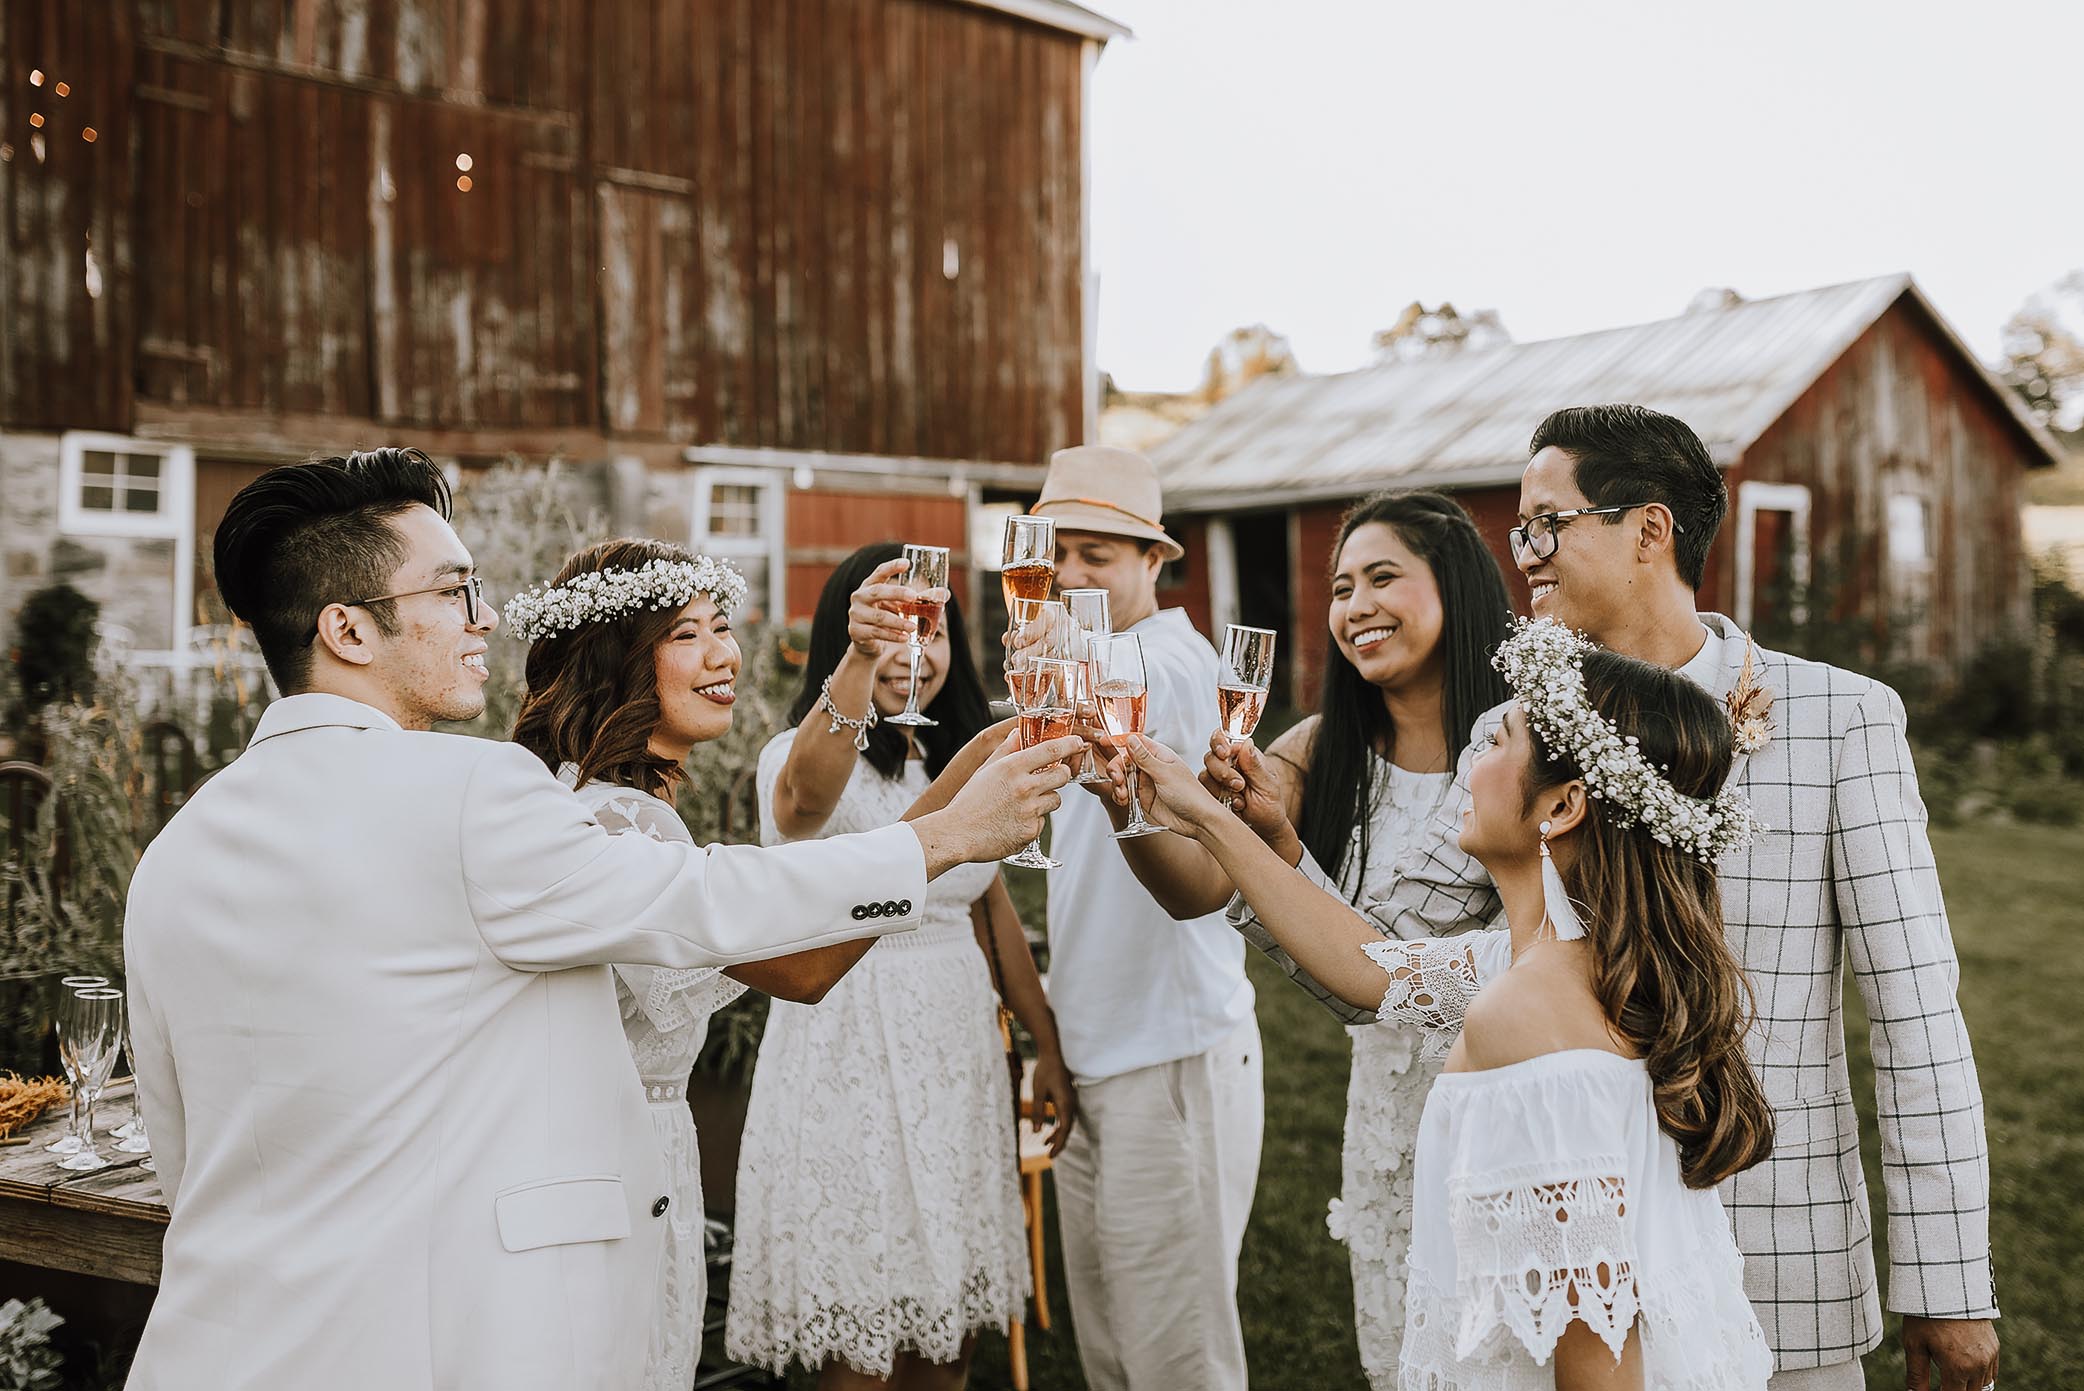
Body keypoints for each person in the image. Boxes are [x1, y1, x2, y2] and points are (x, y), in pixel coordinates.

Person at [121, 449, 1080, 1391]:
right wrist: (945, 834)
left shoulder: (173, 855)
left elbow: (183, 1147)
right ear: (348, 630)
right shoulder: (476, 792)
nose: (486, 615)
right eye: (455, 591)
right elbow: (711, 900)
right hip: (433, 1339)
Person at [1187, 406, 2000, 1391]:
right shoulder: (1512, 725)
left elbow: (1916, 1017)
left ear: (1647, 529)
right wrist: (1266, 845)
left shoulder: (1842, 719)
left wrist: (1949, 1284)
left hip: (1785, 1274)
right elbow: (1394, 965)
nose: (1520, 554)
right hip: (1565, 1260)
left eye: (1543, 523)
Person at [1125, 627, 1779, 1388]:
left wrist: (1203, 819)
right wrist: (1251, 828)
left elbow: (1597, 1358)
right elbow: (1368, 968)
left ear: (1563, 804)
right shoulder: (1567, 963)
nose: (1470, 763)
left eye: (1497, 740)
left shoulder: (1532, 1015)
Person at [1104, 489, 1513, 1385]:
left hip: (1509, 1107)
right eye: (1339, 587)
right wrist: (1129, 805)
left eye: (1382, 578)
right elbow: (1197, 888)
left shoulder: (1521, 746)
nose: (1355, 605)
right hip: (1388, 1124)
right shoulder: (1314, 750)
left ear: (1454, 585)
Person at [507, 537, 871, 1389]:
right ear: (618, 661)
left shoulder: (582, 799)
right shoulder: (625, 821)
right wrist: (943, 832)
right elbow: (805, 971)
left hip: (610, 1153)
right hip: (624, 1161)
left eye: (722, 626)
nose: (723, 654)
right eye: (685, 635)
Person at [725, 543, 1076, 1389]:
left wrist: (1045, 1041)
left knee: (946, 1336)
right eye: (892, 631)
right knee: (864, 1342)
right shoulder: (796, 755)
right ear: (846, 638)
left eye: (935, 629)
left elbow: (987, 908)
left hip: (952, 1052)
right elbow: (804, 803)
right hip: (844, 1044)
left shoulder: (963, 759)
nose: (915, 652)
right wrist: (858, 655)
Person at [1026, 445, 1261, 1391]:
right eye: (1060, 555)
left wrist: (1048, 638)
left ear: (1154, 561)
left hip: (1170, 1050)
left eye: (1099, 554)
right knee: (1112, 1354)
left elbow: (1102, 675)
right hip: (1094, 1039)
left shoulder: (1169, 662)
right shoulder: (1085, 666)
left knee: (1180, 1357)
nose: (1073, 576)